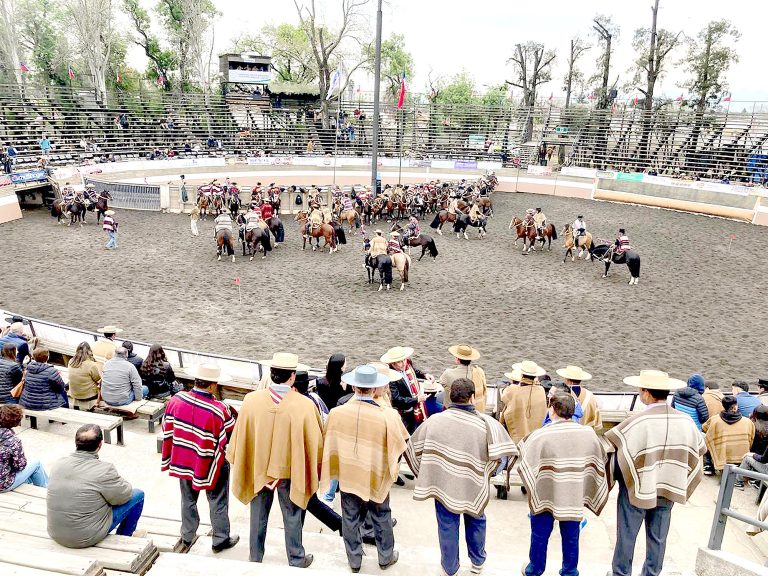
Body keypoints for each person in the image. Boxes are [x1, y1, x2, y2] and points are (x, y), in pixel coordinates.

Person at [406, 378, 518, 576]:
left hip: (443, 484)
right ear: (473, 398)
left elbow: (412, 448)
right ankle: (477, 562)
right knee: (476, 520)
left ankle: (450, 568)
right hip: (474, 483)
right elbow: (506, 456)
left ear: (450, 397)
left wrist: (431, 471)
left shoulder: (435, 421)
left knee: (447, 524)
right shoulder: (488, 425)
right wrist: (489, 472)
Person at [605, 370, 705, 576]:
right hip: (669, 487)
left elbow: (617, 452)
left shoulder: (639, 421)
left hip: (638, 489)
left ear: (646, 393)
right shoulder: (686, 422)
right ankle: (651, 574)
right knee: (658, 537)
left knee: (627, 535)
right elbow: (699, 450)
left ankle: (621, 573)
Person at [227, 352, 322, 568]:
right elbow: (316, 443)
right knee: (293, 514)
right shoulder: (305, 405)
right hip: (290, 471)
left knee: (257, 516)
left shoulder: (251, 401)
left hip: (259, 469)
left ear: (271, 374)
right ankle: (296, 558)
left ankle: (255, 557)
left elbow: (240, 437)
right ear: (292, 377)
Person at [321, 365, 409, 572]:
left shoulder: (336, 413)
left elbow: (328, 442)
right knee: (382, 514)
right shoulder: (388, 415)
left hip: (349, 474)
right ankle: (385, 556)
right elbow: (400, 444)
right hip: (375, 474)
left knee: (350, 516)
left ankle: (354, 560)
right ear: (376, 388)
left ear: (353, 386)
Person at [519, 393, 609, 576]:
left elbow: (526, 463)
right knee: (571, 536)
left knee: (540, 534)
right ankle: (569, 571)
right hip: (574, 492)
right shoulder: (588, 434)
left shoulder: (541, 435)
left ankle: (534, 569)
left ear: (552, 410)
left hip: (546, 491)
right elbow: (600, 460)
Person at [161, 364, 239, 552]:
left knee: (187, 499)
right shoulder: (219, 409)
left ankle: (187, 535)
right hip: (210, 463)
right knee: (217, 500)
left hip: (183, 459)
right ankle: (220, 539)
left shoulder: (176, 400)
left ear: (196, 381)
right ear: (212, 386)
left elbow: (167, 427)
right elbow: (229, 436)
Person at [47, 424, 144, 548]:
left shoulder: (58, 464)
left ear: (76, 443)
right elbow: (124, 496)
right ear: (100, 444)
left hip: (56, 533)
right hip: (85, 538)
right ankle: (125, 538)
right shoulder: (104, 470)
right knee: (138, 495)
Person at [382, 346, 434, 434]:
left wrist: (424, 375)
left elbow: (414, 371)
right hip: (403, 413)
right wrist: (417, 399)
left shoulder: (408, 365)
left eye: (404, 360)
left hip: (413, 408)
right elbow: (396, 399)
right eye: (399, 362)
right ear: (392, 364)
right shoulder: (391, 377)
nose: (403, 363)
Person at [0, 404, 48, 492]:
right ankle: (46, 493)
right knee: (36, 465)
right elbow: (20, 466)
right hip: (2, 484)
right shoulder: (13, 441)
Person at [703, 395, 755, 474]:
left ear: (723, 406)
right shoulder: (748, 422)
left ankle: (708, 466)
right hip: (742, 458)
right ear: (736, 406)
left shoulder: (715, 420)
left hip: (722, 457)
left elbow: (704, 429)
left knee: (705, 438)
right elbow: (751, 439)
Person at [500, 361, 548, 443]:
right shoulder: (541, 390)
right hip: (536, 436)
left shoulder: (512, 389)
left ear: (521, 375)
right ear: (535, 376)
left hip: (518, 437)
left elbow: (503, 397)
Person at [439, 344, 487, 413]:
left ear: (458, 359)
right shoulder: (479, 372)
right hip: (472, 409)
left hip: (451, 409)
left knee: (441, 395)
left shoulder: (448, 373)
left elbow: (442, 382)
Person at [555, 365, 601, 431]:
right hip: (585, 433)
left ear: (568, 380)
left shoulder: (561, 395)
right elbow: (597, 423)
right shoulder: (590, 395)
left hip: (564, 432)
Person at [67, 342, 102, 410]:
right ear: (89, 351)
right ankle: (93, 407)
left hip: (74, 393)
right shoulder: (91, 365)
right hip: (88, 395)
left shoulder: (71, 361)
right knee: (101, 384)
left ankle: (76, 407)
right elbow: (98, 379)